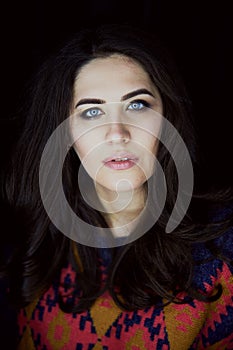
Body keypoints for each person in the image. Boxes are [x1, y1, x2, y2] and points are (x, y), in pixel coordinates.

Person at [1, 23, 233, 349]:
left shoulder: (223, 249)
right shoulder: (28, 250)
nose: (117, 133)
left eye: (137, 105)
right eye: (92, 111)